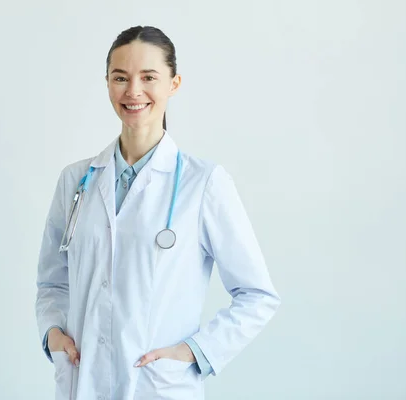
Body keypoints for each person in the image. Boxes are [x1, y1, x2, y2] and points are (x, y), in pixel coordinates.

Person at [35, 25, 280, 400]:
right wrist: (53, 333)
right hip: (81, 382)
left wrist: (196, 352)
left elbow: (257, 294)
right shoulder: (76, 181)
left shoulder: (205, 183)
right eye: (121, 77)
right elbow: (53, 282)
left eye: (149, 77)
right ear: (107, 83)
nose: (133, 91)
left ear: (174, 84)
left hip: (158, 386)